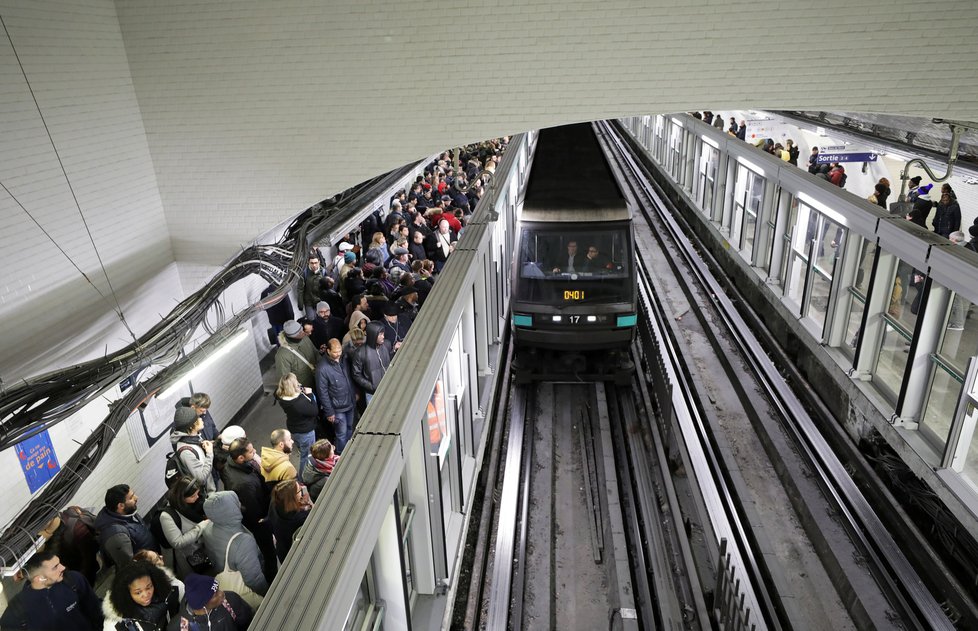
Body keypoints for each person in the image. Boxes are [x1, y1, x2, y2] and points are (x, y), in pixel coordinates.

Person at [0, 549, 103, 630]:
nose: (62, 567)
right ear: (40, 578)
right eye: (55, 567)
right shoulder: (16, 612)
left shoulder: (73, 580)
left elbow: (95, 609)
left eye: (59, 563)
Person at [221, 438, 277, 583]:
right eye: (251, 452)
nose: (255, 452)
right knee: (269, 553)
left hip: (252, 513)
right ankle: (273, 580)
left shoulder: (229, 465)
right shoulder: (244, 484)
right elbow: (254, 510)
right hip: (259, 521)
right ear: (240, 458)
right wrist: (267, 518)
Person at [201, 492, 269, 599]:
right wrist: (267, 595)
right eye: (235, 502)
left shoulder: (208, 528)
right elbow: (254, 579)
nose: (239, 503)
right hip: (245, 587)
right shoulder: (243, 543)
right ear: (230, 510)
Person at [102, 560, 180, 631]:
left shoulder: (172, 590)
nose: (146, 595)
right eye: (138, 592)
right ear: (126, 594)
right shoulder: (115, 625)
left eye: (149, 587)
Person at [93, 485, 160, 568]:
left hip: (153, 559)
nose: (136, 498)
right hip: (148, 569)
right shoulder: (116, 535)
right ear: (121, 506)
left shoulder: (127, 512)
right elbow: (129, 566)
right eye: (131, 497)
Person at [157, 476, 211, 578]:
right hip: (188, 557)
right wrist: (201, 526)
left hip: (203, 549)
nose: (197, 497)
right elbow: (177, 542)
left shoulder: (194, 502)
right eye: (193, 496)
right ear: (181, 498)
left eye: (197, 493)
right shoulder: (167, 516)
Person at [167, 573, 252, 631]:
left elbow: (250, 623)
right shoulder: (179, 628)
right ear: (202, 606)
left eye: (217, 589)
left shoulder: (231, 600)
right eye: (215, 595)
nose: (222, 593)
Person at [316, 339, 357, 455]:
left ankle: (349, 449)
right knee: (341, 433)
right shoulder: (322, 369)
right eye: (335, 352)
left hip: (349, 402)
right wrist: (329, 412)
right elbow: (322, 392)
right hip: (337, 408)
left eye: (340, 351)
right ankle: (341, 454)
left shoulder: (344, 359)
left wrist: (355, 393)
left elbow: (349, 379)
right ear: (328, 351)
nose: (338, 354)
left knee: (350, 428)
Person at [275, 372, 318, 474]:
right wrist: (310, 395)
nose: (298, 383)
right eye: (296, 382)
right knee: (307, 455)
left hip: (294, 428)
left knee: (302, 449)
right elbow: (314, 411)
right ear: (292, 386)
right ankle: (303, 477)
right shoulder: (298, 403)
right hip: (305, 431)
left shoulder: (282, 397)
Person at [169, 406, 217, 494]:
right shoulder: (186, 451)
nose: (201, 419)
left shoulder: (193, 438)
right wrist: (209, 453)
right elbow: (201, 479)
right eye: (197, 419)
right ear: (191, 427)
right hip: (207, 496)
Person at [264, 480, 313, 563]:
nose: (301, 489)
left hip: (282, 550)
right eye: (299, 490)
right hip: (293, 555)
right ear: (293, 498)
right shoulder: (301, 518)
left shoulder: (274, 503)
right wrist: (309, 505)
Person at [352, 322, 392, 405]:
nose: (383, 337)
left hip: (389, 389)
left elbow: (391, 363)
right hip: (372, 394)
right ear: (373, 335)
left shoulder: (387, 345)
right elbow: (356, 374)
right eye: (380, 334)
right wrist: (371, 386)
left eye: (383, 334)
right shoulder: (360, 353)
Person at [274, 319, 318, 388]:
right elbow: (285, 381)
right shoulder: (282, 355)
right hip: (303, 389)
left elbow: (315, 353)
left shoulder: (304, 338)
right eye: (300, 332)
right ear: (292, 336)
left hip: (316, 380)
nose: (303, 333)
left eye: (302, 330)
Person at [297, 254, 328, 321]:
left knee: (322, 319)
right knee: (311, 320)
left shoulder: (323, 272)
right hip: (309, 302)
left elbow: (327, 287)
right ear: (308, 262)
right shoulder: (304, 273)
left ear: (319, 262)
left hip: (320, 301)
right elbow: (300, 289)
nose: (314, 265)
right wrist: (300, 303)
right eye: (312, 263)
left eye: (315, 263)